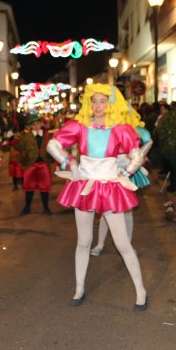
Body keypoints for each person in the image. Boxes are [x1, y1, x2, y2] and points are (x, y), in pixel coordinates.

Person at [46, 83, 147, 310]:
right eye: (94, 100)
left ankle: (141, 291)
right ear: (88, 103)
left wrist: (125, 173)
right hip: (85, 187)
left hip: (110, 188)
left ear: (110, 103)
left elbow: (138, 156)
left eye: (103, 101)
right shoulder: (79, 126)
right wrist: (68, 163)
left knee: (122, 243)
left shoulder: (120, 128)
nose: (98, 106)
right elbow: (53, 144)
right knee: (83, 241)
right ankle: (79, 288)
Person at [90, 105, 152, 257]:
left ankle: (128, 245)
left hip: (128, 172)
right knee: (106, 210)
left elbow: (148, 141)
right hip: (109, 171)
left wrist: (136, 158)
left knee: (127, 212)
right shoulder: (106, 128)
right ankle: (100, 244)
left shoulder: (133, 129)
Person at [18, 114, 53, 215]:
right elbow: (20, 148)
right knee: (29, 187)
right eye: (34, 124)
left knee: (45, 187)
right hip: (31, 164)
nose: (36, 126)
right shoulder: (25, 137)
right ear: (30, 126)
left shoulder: (47, 135)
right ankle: (27, 207)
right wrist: (12, 140)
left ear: (41, 124)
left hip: (44, 164)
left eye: (38, 123)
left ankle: (46, 208)